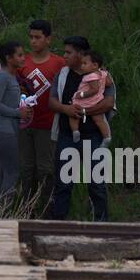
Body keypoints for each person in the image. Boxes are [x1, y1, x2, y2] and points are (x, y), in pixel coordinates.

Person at [48, 36, 116, 221]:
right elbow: (52, 102)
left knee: (96, 184)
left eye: (68, 52)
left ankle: (101, 224)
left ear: (81, 54)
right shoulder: (62, 75)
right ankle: (58, 224)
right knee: (63, 183)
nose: (64, 56)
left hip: (94, 137)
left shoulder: (101, 76)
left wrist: (85, 111)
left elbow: (108, 103)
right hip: (67, 136)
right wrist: (67, 109)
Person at [15, 19, 65, 217]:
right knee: (26, 169)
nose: (33, 41)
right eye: (31, 37)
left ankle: (46, 212)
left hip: (48, 125)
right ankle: (26, 211)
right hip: (25, 124)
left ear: (48, 39)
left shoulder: (59, 63)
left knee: (45, 170)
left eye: (38, 37)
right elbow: (15, 88)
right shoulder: (23, 62)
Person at [0, 40, 26, 208]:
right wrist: (18, 113)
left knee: (5, 171)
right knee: (12, 172)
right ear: (9, 58)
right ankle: (4, 211)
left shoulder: (11, 76)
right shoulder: (3, 76)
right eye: (20, 55)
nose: (23, 58)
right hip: (3, 130)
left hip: (8, 128)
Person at [69, 50, 113, 143]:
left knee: (73, 114)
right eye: (82, 63)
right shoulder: (102, 73)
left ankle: (75, 131)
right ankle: (106, 137)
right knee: (99, 120)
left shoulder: (90, 76)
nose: (82, 66)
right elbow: (109, 83)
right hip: (97, 101)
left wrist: (81, 95)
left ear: (95, 65)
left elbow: (94, 90)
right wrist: (106, 75)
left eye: (84, 63)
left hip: (86, 100)